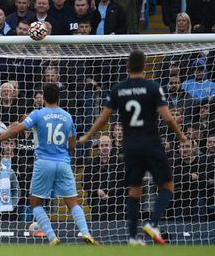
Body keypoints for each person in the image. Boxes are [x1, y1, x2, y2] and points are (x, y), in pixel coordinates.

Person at [79, 50, 188, 246]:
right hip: (151, 143)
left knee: (134, 190)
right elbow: (167, 117)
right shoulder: (153, 87)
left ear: (127, 67)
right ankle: (153, 224)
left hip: (129, 146)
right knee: (168, 186)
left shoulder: (118, 89)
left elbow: (104, 118)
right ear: (145, 67)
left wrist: (88, 135)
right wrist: (181, 136)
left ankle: (132, 237)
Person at [0, 83, 97, 246]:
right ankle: (86, 232)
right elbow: (72, 144)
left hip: (43, 163)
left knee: (35, 203)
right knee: (73, 203)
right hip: (63, 163)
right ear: (58, 98)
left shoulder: (38, 114)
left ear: (44, 98)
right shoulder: (67, 116)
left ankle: (52, 237)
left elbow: (16, 130)